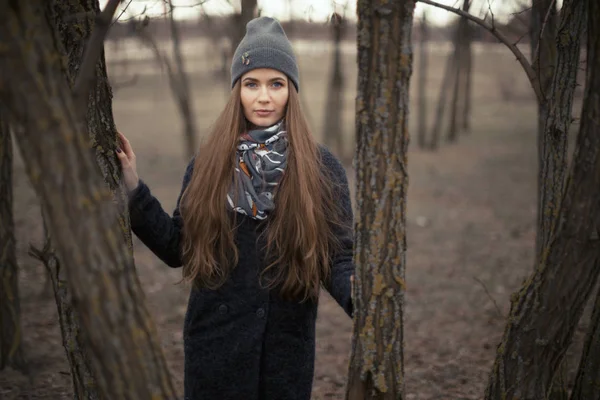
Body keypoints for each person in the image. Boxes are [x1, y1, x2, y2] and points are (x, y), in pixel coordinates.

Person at [116, 16, 354, 400]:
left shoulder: (322, 168)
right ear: (237, 91)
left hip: (285, 356)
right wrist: (133, 189)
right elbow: (178, 247)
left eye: (276, 84)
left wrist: (360, 295)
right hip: (215, 351)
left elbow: (338, 258)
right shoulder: (209, 163)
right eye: (252, 84)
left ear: (291, 90)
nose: (264, 97)